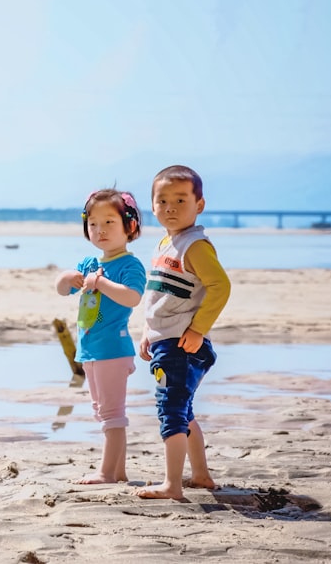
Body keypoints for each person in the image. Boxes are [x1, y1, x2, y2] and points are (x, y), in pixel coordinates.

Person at [136, 165, 232, 500]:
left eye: (180, 199)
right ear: (153, 206)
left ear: (199, 205)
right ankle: (201, 476)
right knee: (184, 409)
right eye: (162, 201)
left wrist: (197, 329)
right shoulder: (166, 243)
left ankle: (172, 485)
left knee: (171, 410)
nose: (171, 207)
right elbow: (158, 297)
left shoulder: (194, 245)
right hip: (166, 341)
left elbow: (220, 286)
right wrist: (148, 332)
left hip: (182, 345)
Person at [55, 188, 146, 484]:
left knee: (112, 414)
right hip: (90, 350)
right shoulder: (89, 264)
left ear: (129, 226)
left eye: (109, 222)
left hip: (113, 349)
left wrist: (102, 283)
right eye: (93, 224)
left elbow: (132, 297)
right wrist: (68, 277)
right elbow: (62, 288)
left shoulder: (129, 265)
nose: (100, 230)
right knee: (101, 411)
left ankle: (106, 472)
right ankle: (118, 472)